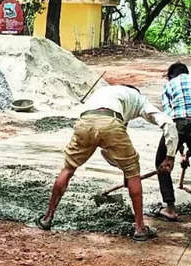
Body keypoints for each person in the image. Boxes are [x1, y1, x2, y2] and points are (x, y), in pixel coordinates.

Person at [37, 84, 178, 241]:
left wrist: (123, 169)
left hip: (85, 122)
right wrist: (170, 156)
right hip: (110, 123)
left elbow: (107, 149)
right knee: (134, 172)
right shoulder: (138, 99)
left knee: (68, 169)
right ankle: (140, 228)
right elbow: (169, 123)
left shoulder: (105, 92)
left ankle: (47, 218)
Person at [155, 62, 191, 220]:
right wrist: (186, 153)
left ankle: (170, 207)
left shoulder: (169, 85)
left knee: (161, 162)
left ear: (170, 76)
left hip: (178, 123)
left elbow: (169, 118)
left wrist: (175, 151)